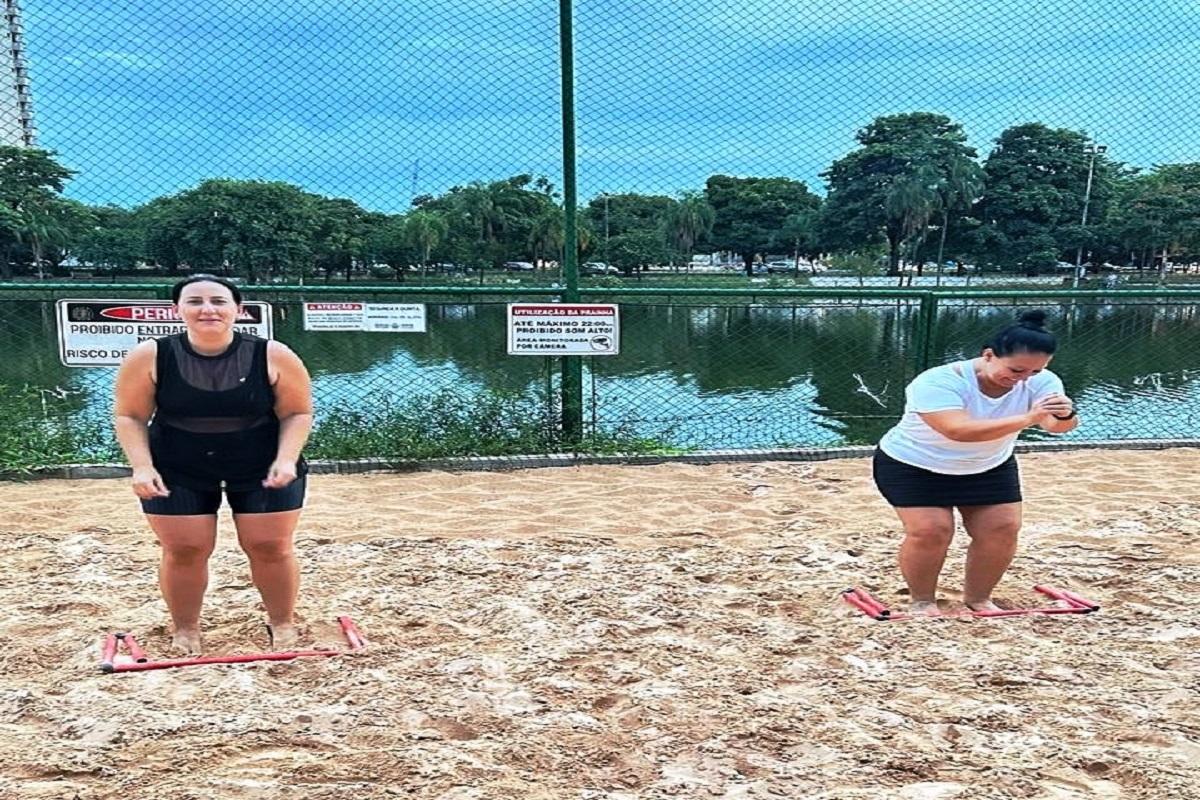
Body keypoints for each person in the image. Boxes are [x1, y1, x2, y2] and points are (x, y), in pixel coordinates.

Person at [113, 275, 313, 653]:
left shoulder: (273, 354)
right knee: (186, 549)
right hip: (177, 462)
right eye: (195, 301)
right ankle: (186, 628)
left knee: (270, 545)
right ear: (177, 310)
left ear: (239, 310)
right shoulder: (150, 356)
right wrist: (142, 466)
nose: (207, 309)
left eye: (219, 301)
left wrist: (286, 459)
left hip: (261, 460)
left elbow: (298, 412)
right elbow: (130, 416)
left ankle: (282, 622)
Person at [872, 310, 1078, 615]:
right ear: (989, 355)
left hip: (988, 465)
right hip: (913, 464)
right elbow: (957, 430)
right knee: (932, 530)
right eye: (1016, 370)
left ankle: (979, 599)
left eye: (1034, 373)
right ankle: (923, 601)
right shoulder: (937, 381)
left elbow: (1056, 428)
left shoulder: (1043, 381)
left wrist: (1065, 415)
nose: (1022, 380)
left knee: (1003, 528)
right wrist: (1028, 418)